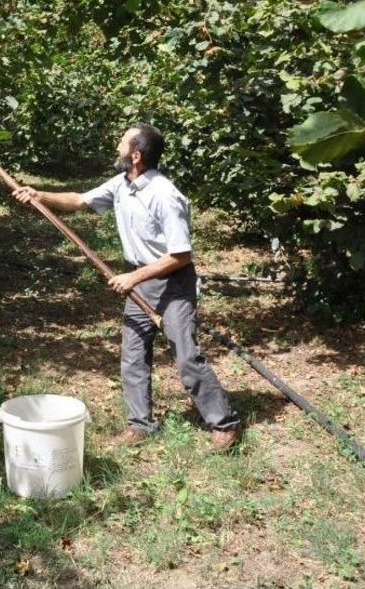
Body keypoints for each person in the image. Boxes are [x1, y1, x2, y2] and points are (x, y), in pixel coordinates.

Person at [13, 124, 240, 452]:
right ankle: (140, 424)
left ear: (136, 155)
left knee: (186, 356)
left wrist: (133, 278)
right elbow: (79, 200)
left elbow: (181, 255)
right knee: (133, 356)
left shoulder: (164, 194)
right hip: (141, 280)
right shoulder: (122, 184)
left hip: (173, 283)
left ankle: (224, 423)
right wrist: (39, 195)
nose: (116, 147)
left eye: (122, 143)